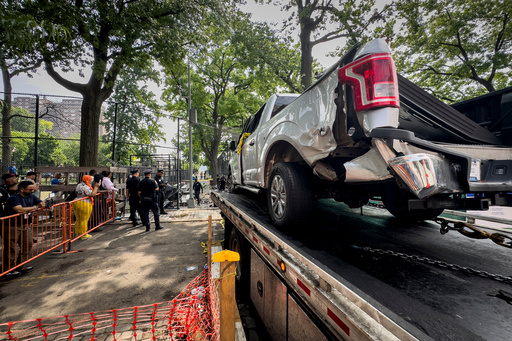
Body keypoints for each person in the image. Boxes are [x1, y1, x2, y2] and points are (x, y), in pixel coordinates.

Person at [2, 180, 46, 277]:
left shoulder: (31, 196)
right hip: (12, 225)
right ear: (22, 189)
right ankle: (7, 269)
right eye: (30, 189)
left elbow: (40, 203)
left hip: (25, 225)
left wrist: (44, 205)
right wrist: (35, 207)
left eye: (33, 189)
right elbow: (19, 209)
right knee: (11, 247)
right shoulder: (14, 198)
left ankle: (20, 265)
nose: (32, 191)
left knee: (28, 244)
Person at [73, 175, 100, 240]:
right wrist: (96, 187)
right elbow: (92, 194)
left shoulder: (79, 185)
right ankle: (83, 234)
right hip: (84, 203)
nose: (91, 180)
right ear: (88, 180)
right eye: (90, 179)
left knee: (78, 219)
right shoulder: (86, 187)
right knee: (84, 219)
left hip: (76, 202)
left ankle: (78, 233)